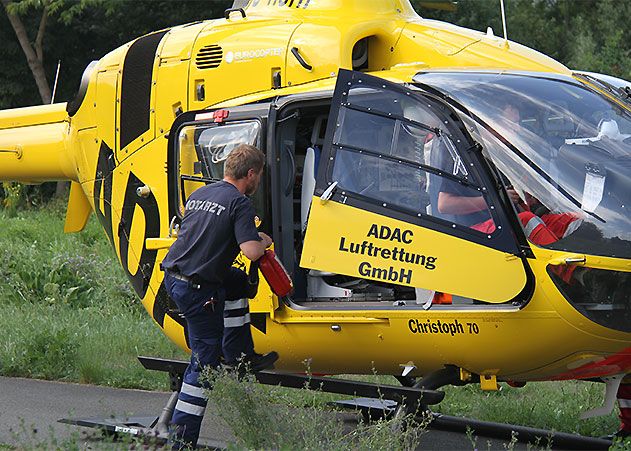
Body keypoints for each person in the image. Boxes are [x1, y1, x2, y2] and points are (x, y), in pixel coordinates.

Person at [161, 143, 278, 449]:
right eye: (259, 176)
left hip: (172, 277)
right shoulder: (240, 203)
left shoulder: (200, 194)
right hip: (198, 290)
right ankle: (182, 441)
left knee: (238, 282)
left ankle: (239, 354)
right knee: (204, 365)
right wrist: (263, 241)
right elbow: (251, 251)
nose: (258, 182)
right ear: (250, 174)